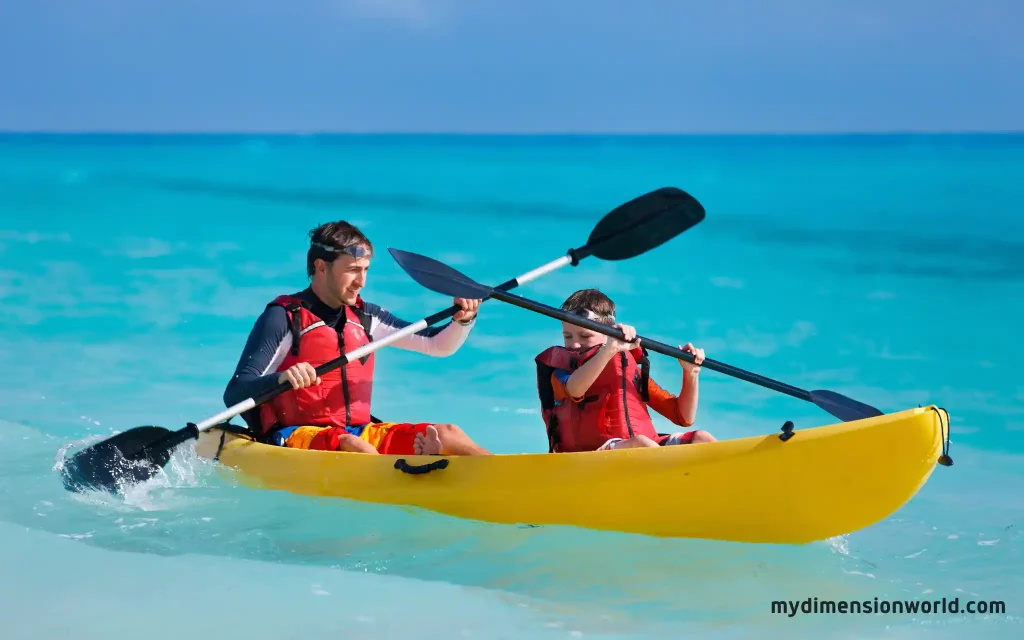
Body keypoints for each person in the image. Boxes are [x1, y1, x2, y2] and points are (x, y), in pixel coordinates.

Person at [223, 220, 491, 457]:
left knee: (447, 433)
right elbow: (235, 392)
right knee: (354, 445)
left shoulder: (365, 317)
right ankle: (403, 471)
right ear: (321, 267)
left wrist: (463, 320)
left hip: (361, 430)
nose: (361, 281)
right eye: (352, 270)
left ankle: (505, 475)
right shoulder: (284, 318)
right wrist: (282, 378)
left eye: (365, 270)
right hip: (297, 435)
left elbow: (437, 345)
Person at [534, 288, 716, 453]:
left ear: (607, 333)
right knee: (642, 444)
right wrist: (609, 349)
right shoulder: (561, 369)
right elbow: (575, 389)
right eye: (568, 336)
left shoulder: (627, 371)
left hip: (643, 447)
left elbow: (683, 416)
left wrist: (690, 373)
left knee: (702, 438)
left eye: (585, 336)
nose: (574, 343)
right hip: (592, 454)